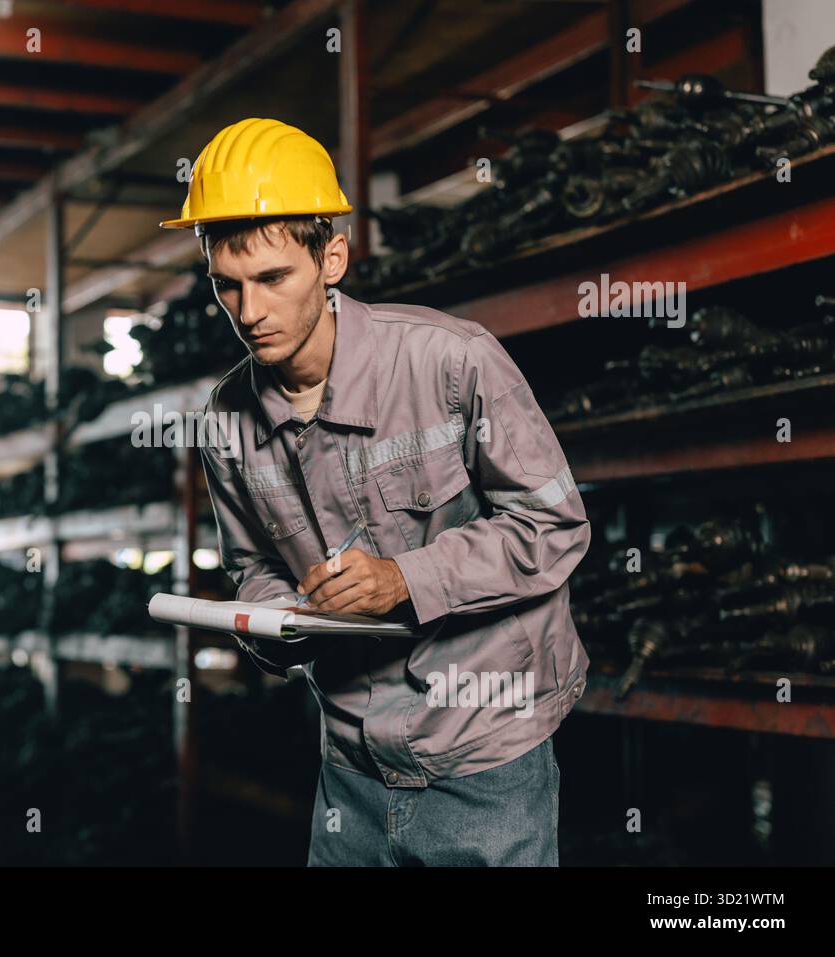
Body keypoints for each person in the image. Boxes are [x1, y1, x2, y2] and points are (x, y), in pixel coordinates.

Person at [160, 117, 591, 866]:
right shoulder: (226, 421)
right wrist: (273, 621)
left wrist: (401, 578)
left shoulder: (451, 363)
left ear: (332, 257)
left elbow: (552, 525)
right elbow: (252, 567)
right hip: (350, 772)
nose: (249, 312)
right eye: (226, 285)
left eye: (272, 279)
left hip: (485, 758)